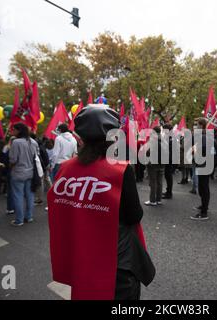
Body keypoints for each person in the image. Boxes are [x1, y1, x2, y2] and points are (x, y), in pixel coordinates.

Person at [47, 106, 155, 299]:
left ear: (80, 137)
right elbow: (134, 215)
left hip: (81, 256)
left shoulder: (64, 169)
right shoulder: (120, 170)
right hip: (117, 262)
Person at [9, 123, 39, 226]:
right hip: (30, 172)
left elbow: (13, 159)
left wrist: (10, 166)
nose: (12, 131)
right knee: (30, 195)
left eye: (14, 129)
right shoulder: (33, 142)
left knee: (18, 196)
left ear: (19, 130)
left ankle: (19, 220)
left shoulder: (16, 142)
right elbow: (37, 156)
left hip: (18, 172)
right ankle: (29, 216)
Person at [191, 118, 212, 220]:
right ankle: (203, 206)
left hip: (204, 165)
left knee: (204, 188)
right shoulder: (201, 136)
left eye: (197, 125)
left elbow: (204, 150)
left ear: (202, 126)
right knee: (202, 187)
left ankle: (204, 213)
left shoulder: (204, 136)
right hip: (202, 164)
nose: (196, 126)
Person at [144, 126, 165, 206]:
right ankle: (159, 199)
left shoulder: (153, 140)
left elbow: (149, 152)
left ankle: (152, 200)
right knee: (159, 182)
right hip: (162, 163)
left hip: (153, 164)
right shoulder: (164, 140)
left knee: (153, 182)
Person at [162, 124, 175, 200]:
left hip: (169, 160)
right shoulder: (169, 137)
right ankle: (168, 191)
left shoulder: (171, 138)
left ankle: (169, 193)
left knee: (168, 176)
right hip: (169, 159)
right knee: (167, 176)